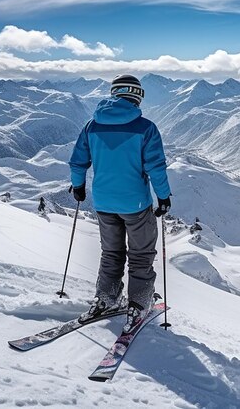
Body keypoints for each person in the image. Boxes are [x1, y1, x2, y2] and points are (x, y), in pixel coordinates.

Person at [68, 74, 171, 329]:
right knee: (141, 255)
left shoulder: (92, 126)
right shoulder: (145, 128)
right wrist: (164, 197)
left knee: (111, 253)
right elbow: (156, 167)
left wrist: (78, 187)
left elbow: (77, 161)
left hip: (103, 203)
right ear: (136, 96)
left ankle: (107, 299)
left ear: (115, 94)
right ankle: (138, 305)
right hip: (135, 204)